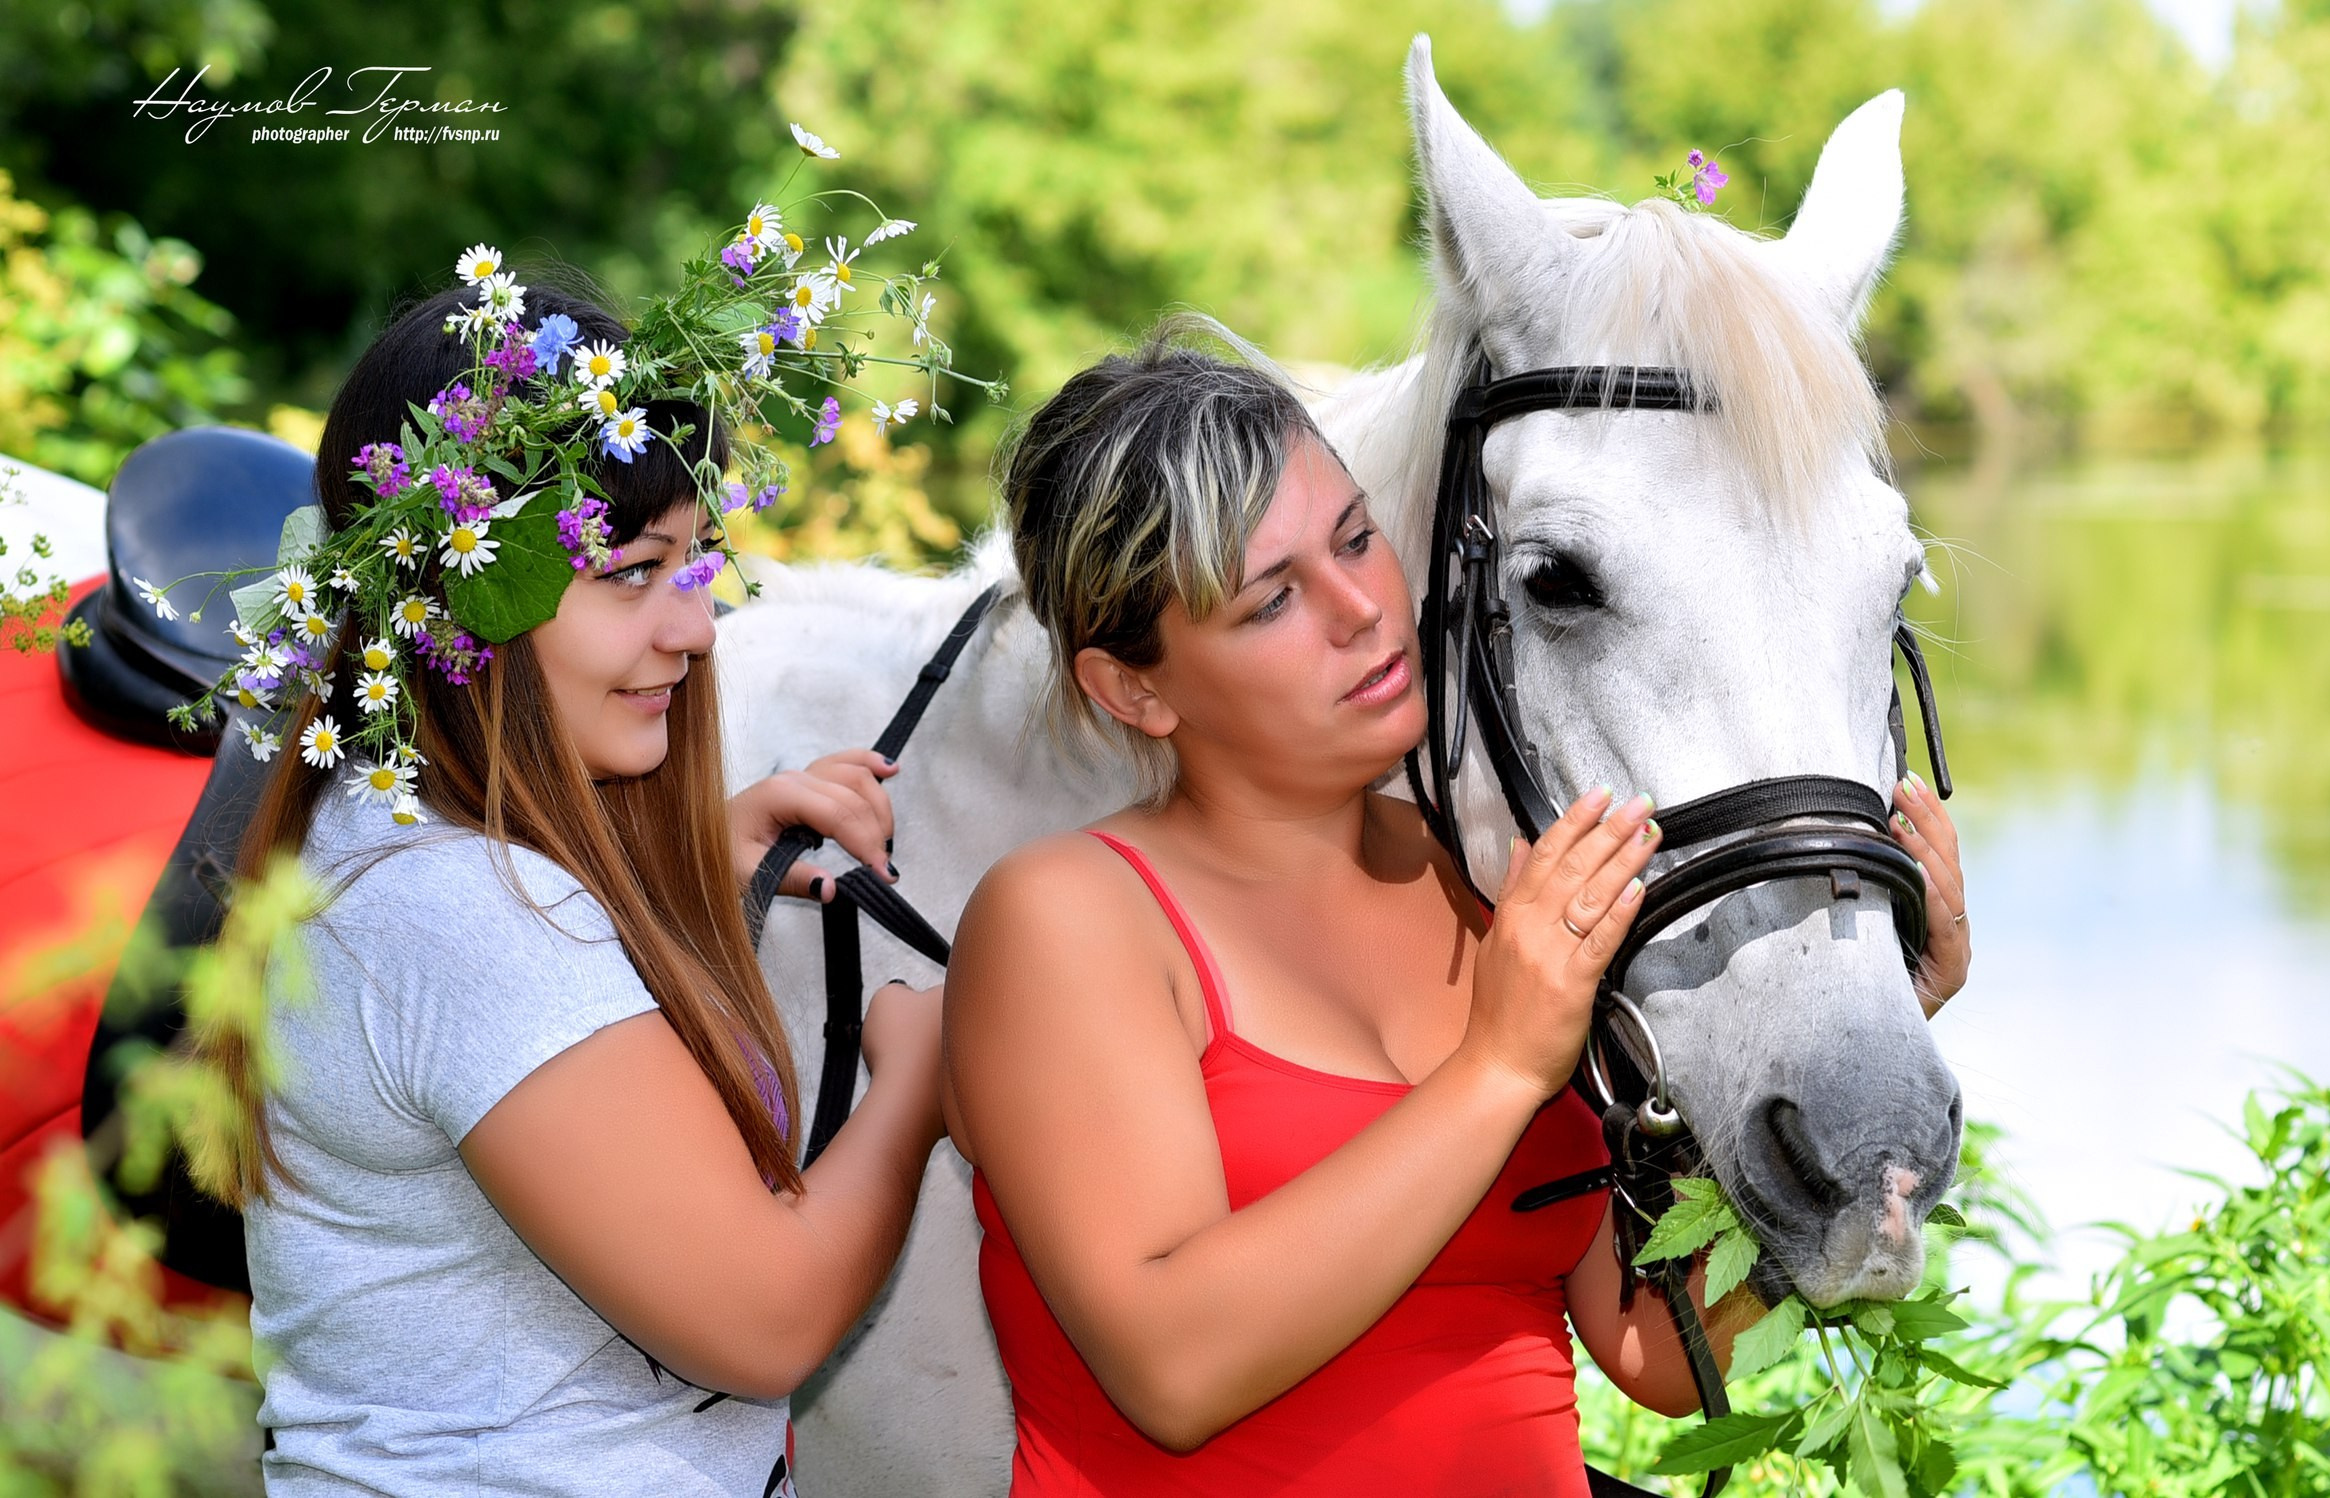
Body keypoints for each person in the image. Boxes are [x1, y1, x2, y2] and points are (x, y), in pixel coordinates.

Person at [944, 330, 1972, 1494]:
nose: (1362, 609)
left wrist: (1855, 1048)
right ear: (1132, 686)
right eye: (1271, 599)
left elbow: (1652, 1348)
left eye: (1355, 539)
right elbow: (1172, 1369)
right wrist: (1494, 1070)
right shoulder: (1065, 919)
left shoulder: (1486, 883)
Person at [191, 270, 944, 1497]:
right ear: (467, 600)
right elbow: (766, 1319)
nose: (696, 629)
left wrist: (697, 858)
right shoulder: (460, 915)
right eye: (630, 573)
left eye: (692, 565)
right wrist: (918, 1082)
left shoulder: (388, 830)